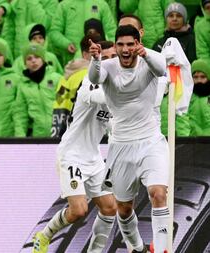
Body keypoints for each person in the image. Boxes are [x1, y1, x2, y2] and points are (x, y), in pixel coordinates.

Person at [88, 25, 169, 253]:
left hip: (151, 141)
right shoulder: (107, 66)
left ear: (137, 44)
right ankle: (136, 247)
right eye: (120, 44)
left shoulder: (149, 61)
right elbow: (95, 76)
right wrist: (95, 58)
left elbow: (161, 67)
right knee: (123, 208)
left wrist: (145, 54)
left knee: (158, 193)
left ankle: (162, 249)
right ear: (114, 46)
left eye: (130, 44)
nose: (125, 49)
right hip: (121, 146)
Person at [32, 42, 118, 253]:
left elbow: (112, 126)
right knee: (79, 210)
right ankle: (44, 236)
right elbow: (97, 97)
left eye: (113, 57)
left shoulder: (115, 89)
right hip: (71, 155)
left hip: (94, 158)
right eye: (105, 58)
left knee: (110, 207)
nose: (111, 62)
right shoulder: (89, 81)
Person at [51, 34, 102, 138]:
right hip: (92, 135)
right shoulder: (95, 75)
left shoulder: (65, 77)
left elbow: (59, 105)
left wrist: (56, 136)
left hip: (70, 133)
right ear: (84, 54)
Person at [13, 43, 61, 137]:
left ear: (43, 59)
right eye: (29, 58)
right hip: (38, 137)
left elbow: (67, 105)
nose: (33, 61)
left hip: (60, 134)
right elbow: (20, 113)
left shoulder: (57, 79)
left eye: (37, 57)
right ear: (25, 63)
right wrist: (20, 138)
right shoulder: (23, 85)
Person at [188, 59, 210, 136]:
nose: (199, 80)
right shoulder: (187, 97)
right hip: (193, 143)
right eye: (195, 77)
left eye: (203, 77)